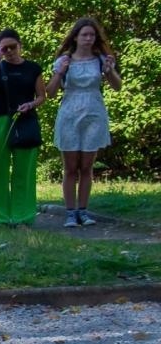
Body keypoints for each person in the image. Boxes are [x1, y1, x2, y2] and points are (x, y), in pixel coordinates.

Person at [47, 16, 121, 228]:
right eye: (84, 35)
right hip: (69, 112)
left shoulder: (101, 60)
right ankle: (70, 212)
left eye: (92, 35)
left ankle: (84, 211)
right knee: (70, 167)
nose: (88, 39)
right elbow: (50, 93)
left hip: (93, 112)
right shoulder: (64, 61)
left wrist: (110, 70)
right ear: (76, 37)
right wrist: (59, 71)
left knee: (87, 166)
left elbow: (117, 86)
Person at [0, 29, 47, 227]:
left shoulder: (33, 68)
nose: (9, 51)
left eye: (13, 47)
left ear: (20, 46)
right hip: (0, 120)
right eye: (4, 48)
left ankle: (23, 215)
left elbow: (42, 96)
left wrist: (30, 105)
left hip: (25, 122)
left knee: (24, 170)